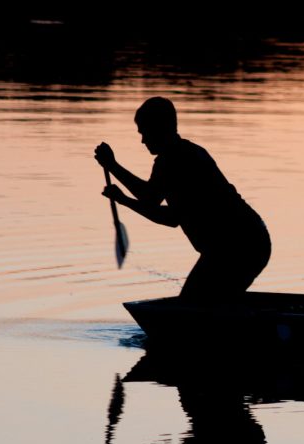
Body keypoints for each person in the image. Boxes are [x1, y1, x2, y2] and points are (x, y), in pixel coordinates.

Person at [94, 96, 270, 300]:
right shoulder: (184, 154)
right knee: (205, 303)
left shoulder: (174, 159)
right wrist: (123, 198)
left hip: (236, 245)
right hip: (247, 243)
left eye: (145, 132)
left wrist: (114, 168)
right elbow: (171, 218)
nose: (142, 140)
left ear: (160, 128)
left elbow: (149, 198)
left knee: (194, 304)